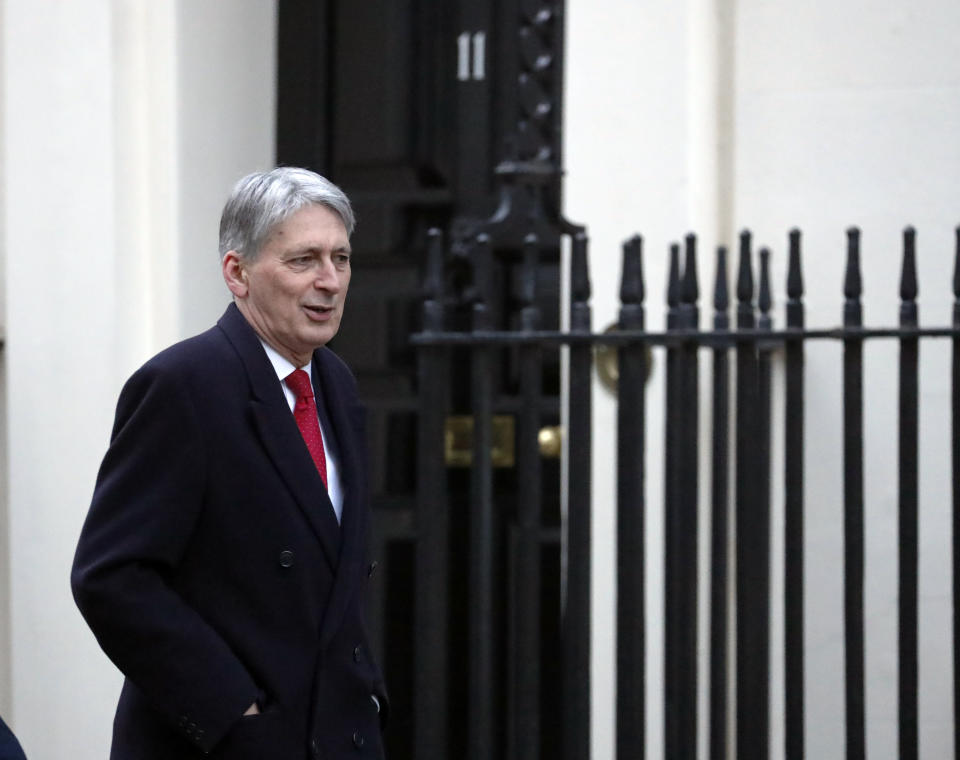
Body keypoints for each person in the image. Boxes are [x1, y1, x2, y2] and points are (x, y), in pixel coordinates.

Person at [72, 167, 388, 759]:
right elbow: (112, 576)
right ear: (237, 273)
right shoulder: (182, 385)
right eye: (303, 260)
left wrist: (367, 693)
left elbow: (332, 571)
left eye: (340, 258)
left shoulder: (336, 384)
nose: (330, 281)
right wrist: (230, 707)